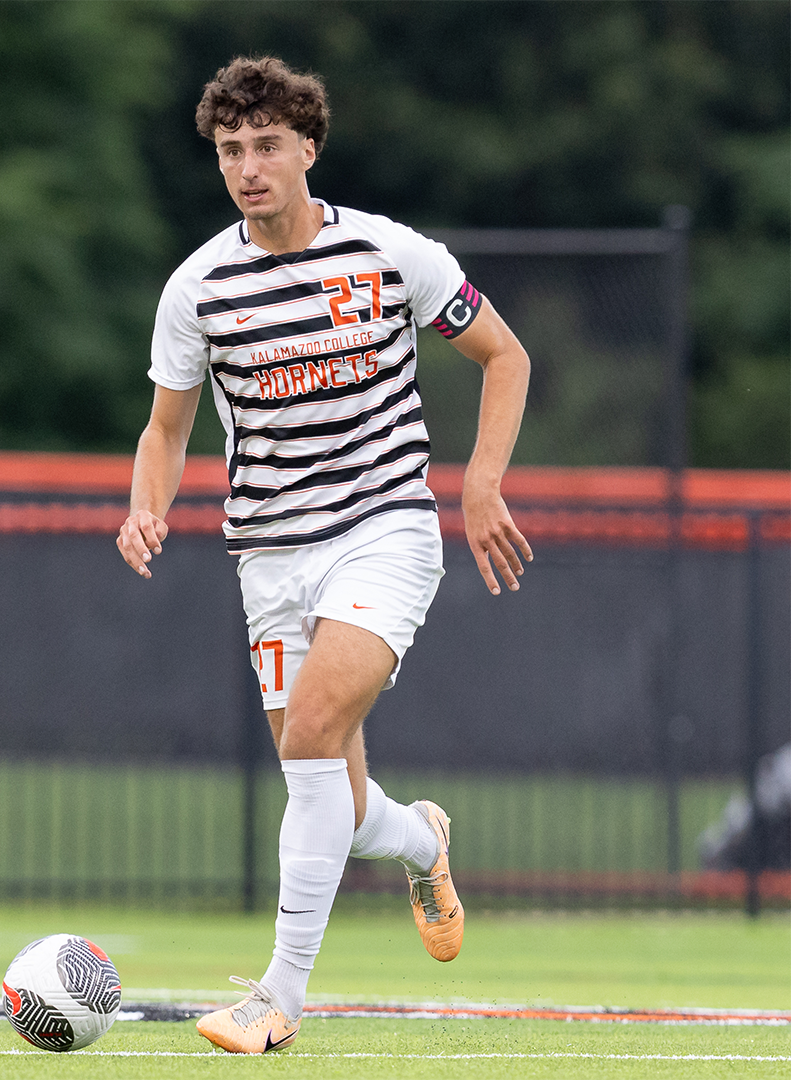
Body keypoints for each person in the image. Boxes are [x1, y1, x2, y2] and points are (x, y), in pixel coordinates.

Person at [116, 57, 532, 1054]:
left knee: (309, 737)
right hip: (268, 557)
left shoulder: (391, 253)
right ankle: (421, 840)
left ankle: (279, 999)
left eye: (266, 146)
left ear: (308, 147)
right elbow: (167, 429)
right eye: (230, 151)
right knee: (326, 794)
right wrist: (144, 508)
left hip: (385, 531)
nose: (248, 168)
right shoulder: (198, 287)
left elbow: (505, 355)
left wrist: (480, 482)